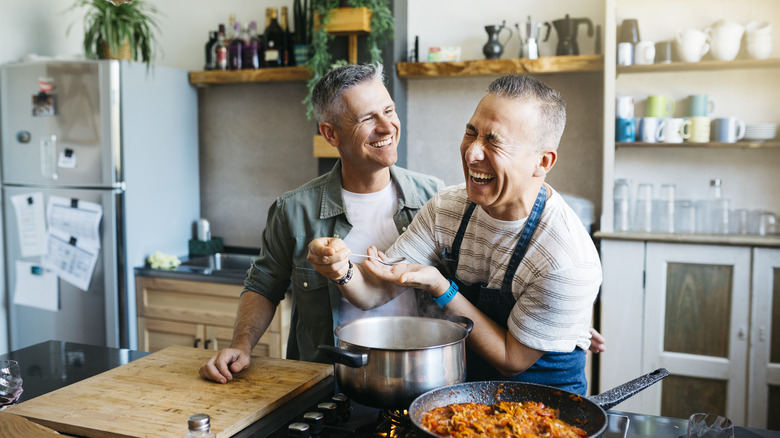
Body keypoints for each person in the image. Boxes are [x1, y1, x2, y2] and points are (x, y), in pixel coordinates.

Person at [308, 74, 603, 396]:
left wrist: (441, 287)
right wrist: (341, 270)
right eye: (470, 132)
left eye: (494, 141)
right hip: (464, 396)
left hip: (542, 405)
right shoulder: (447, 208)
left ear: (542, 162)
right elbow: (375, 291)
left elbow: (511, 359)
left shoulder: (567, 259)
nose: (472, 153)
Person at [198, 63, 445, 384]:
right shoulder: (293, 209)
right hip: (327, 383)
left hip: (420, 378)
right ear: (331, 133)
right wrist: (241, 346)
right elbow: (262, 286)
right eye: (368, 118)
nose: (387, 126)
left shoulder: (435, 197)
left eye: (389, 110)